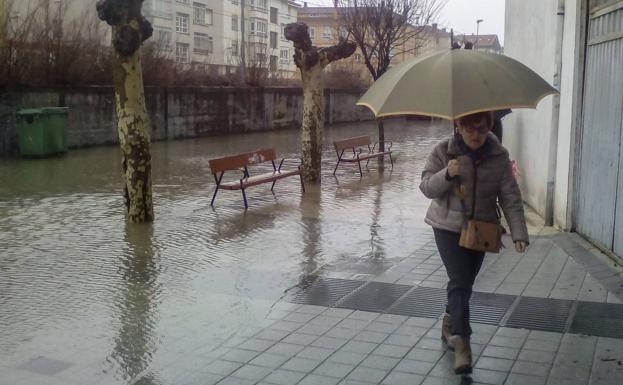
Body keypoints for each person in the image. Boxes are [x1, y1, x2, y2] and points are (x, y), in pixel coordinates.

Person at [419, 111, 529, 374]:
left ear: (489, 126)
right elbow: (425, 188)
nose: (476, 135)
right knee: (459, 279)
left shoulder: (498, 156)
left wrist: (519, 233)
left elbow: (510, 196)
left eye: (481, 129)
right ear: (459, 126)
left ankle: (449, 321)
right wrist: (447, 173)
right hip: (446, 227)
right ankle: (462, 342)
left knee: (465, 282)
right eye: (470, 129)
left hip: (481, 228)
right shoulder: (443, 151)